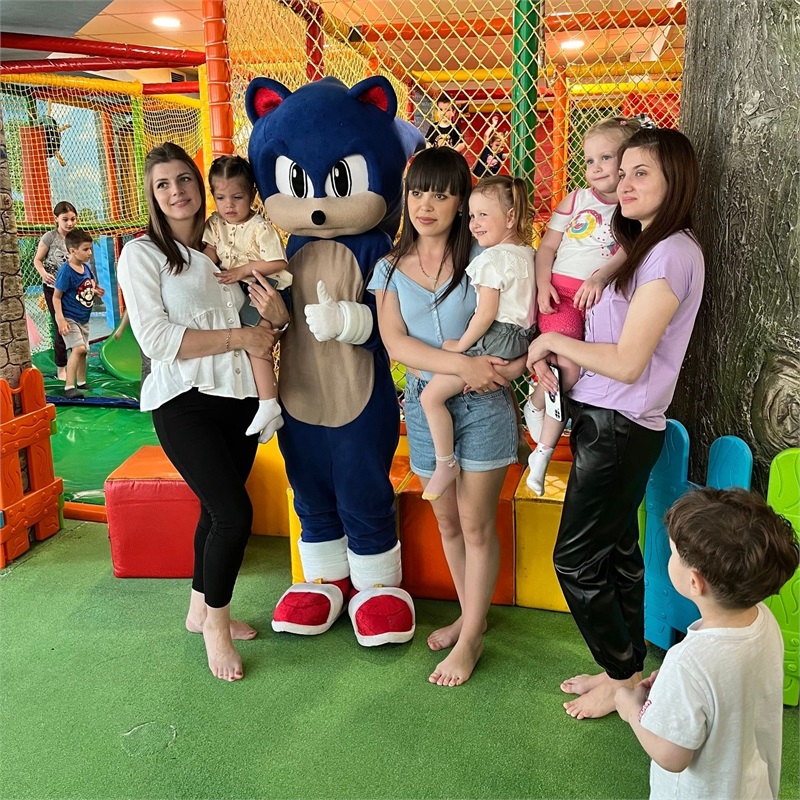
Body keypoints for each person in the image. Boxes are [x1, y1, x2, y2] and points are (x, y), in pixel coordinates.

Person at [526, 127, 705, 718]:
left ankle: (624, 678)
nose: (624, 184)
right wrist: (559, 359)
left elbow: (629, 362)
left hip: (621, 424)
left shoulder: (671, 252)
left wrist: (553, 341)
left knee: (575, 559)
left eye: (640, 173)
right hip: (604, 415)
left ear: (675, 180)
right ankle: (623, 670)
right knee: (616, 552)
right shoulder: (644, 248)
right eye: (621, 173)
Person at [117, 142, 289, 682]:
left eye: (184, 179)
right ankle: (217, 626)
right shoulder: (143, 254)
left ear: (201, 186)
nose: (177, 192)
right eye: (163, 184)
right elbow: (157, 339)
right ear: (152, 195)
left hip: (240, 398)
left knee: (214, 514)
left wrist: (276, 318)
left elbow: (264, 324)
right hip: (184, 400)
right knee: (234, 514)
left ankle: (201, 608)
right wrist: (241, 337)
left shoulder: (224, 249)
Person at [369, 147, 525, 687]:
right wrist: (462, 364)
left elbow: (516, 322)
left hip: (483, 402)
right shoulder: (388, 269)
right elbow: (396, 344)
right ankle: (468, 616)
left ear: (462, 202)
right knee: (448, 522)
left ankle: (471, 636)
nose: (426, 205)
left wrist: (510, 367)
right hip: (425, 401)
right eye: (418, 192)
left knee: (477, 524)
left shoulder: (486, 257)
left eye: (441, 194)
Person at [615, 487, 799, 800]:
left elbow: (672, 756)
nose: (670, 558)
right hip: (751, 787)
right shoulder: (763, 620)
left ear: (694, 582)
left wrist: (631, 710)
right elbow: (729, 686)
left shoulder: (688, 662)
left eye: (674, 553)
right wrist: (675, 687)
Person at [526, 116, 641, 495]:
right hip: (560, 295)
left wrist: (600, 277)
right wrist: (543, 283)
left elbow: (628, 251)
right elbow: (547, 247)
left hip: (597, 300)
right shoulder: (576, 200)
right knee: (569, 372)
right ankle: (540, 420)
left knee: (578, 371)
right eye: (590, 160)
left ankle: (542, 437)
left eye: (606, 158)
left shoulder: (630, 207)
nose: (596, 168)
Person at [419, 175, 535, 500]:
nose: (474, 224)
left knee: (431, 397)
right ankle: (518, 435)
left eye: (483, 215)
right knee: (497, 384)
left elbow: (485, 314)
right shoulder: (528, 254)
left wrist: (460, 347)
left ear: (510, 217)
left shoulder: (491, 259)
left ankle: (445, 463)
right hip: (519, 339)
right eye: (472, 215)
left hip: (496, 336)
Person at [202, 155, 292, 444]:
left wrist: (243, 270)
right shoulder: (215, 223)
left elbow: (279, 262)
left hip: (268, 286)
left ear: (252, 194)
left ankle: (269, 403)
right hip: (241, 288)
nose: (229, 205)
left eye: (237, 197)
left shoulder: (259, 227)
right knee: (238, 339)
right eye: (221, 198)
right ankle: (261, 403)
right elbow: (209, 254)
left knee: (256, 341)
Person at [52, 229, 105, 399]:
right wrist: (61, 319)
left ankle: (81, 382)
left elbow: (85, 286)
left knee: (84, 351)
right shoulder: (66, 271)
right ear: (73, 251)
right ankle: (69, 386)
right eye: (86, 249)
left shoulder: (85, 268)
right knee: (78, 348)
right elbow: (56, 297)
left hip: (83, 318)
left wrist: (95, 291)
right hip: (69, 317)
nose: (90, 253)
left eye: (90, 249)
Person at [34, 201, 78, 381]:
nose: (70, 223)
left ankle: (77, 364)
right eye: (65, 219)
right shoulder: (50, 237)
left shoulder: (76, 237)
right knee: (61, 326)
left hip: (73, 290)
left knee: (77, 326)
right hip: (54, 290)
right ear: (56, 219)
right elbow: (38, 260)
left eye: (73, 219)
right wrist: (44, 273)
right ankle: (61, 368)